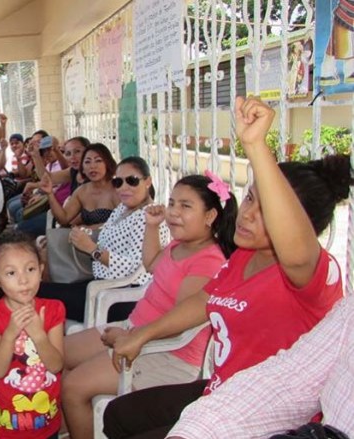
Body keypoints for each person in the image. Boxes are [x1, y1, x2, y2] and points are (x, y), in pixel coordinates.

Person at [102, 96, 350, 439]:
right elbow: (205, 299)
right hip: (219, 392)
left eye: (266, 210)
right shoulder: (246, 256)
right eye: (249, 198)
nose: (246, 214)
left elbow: (296, 254)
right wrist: (141, 333)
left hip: (264, 417)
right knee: (119, 414)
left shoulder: (312, 273)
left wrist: (255, 145)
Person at [62, 172, 238, 438]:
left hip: (165, 354)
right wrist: (153, 225)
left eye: (185, 206)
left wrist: (131, 336)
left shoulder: (208, 260)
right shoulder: (181, 244)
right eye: (172, 203)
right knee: (59, 354)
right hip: (136, 330)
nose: (173, 211)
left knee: (73, 387)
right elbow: (152, 263)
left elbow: (179, 324)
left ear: (210, 216)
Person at [167, 294, 354, 439]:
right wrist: (192, 432)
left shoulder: (302, 269)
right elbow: (288, 379)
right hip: (221, 396)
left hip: (189, 371)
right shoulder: (237, 262)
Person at [37, 156, 169, 323]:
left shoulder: (150, 217)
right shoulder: (123, 208)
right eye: (118, 182)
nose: (124, 188)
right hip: (100, 284)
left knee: (38, 294)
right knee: (36, 287)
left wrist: (92, 249)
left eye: (132, 181)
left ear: (148, 181)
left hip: (119, 296)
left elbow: (135, 269)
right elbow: (106, 235)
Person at [0, 230, 65, 438]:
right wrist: (10, 334)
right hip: (8, 424)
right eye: (11, 273)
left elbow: (56, 365)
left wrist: (38, 335)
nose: (23, 280)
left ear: (41, 270)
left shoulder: (54, 309)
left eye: (30, 269)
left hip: (47, 420)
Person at [40, 142, 119, 228]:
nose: (92, 166)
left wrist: (88, 229)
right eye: (87, 162)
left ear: (108, 164)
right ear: (83, 169)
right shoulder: (81, 191)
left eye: (98, 161)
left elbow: (124, 223)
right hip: (82, 239)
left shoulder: (118, 189)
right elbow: (64, 218)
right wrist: (50, 194)